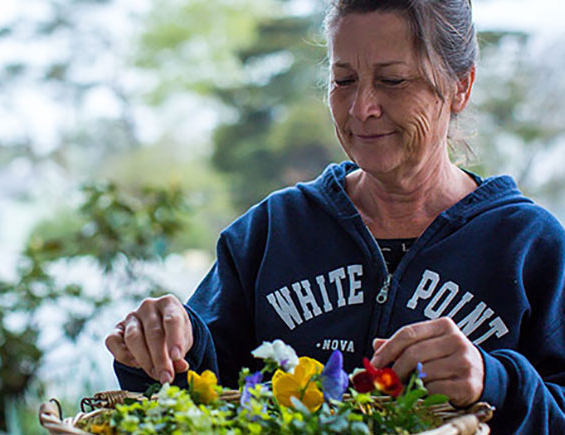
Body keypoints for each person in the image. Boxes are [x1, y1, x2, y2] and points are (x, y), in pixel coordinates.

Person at [105, 1, 565, 433]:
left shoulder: (530, 247)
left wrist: (496, 381)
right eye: (343, 80)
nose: (362, 108)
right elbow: (195, 392)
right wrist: (157, 345)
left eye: (393, 80)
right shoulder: (272, 232)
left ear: (460, 85)